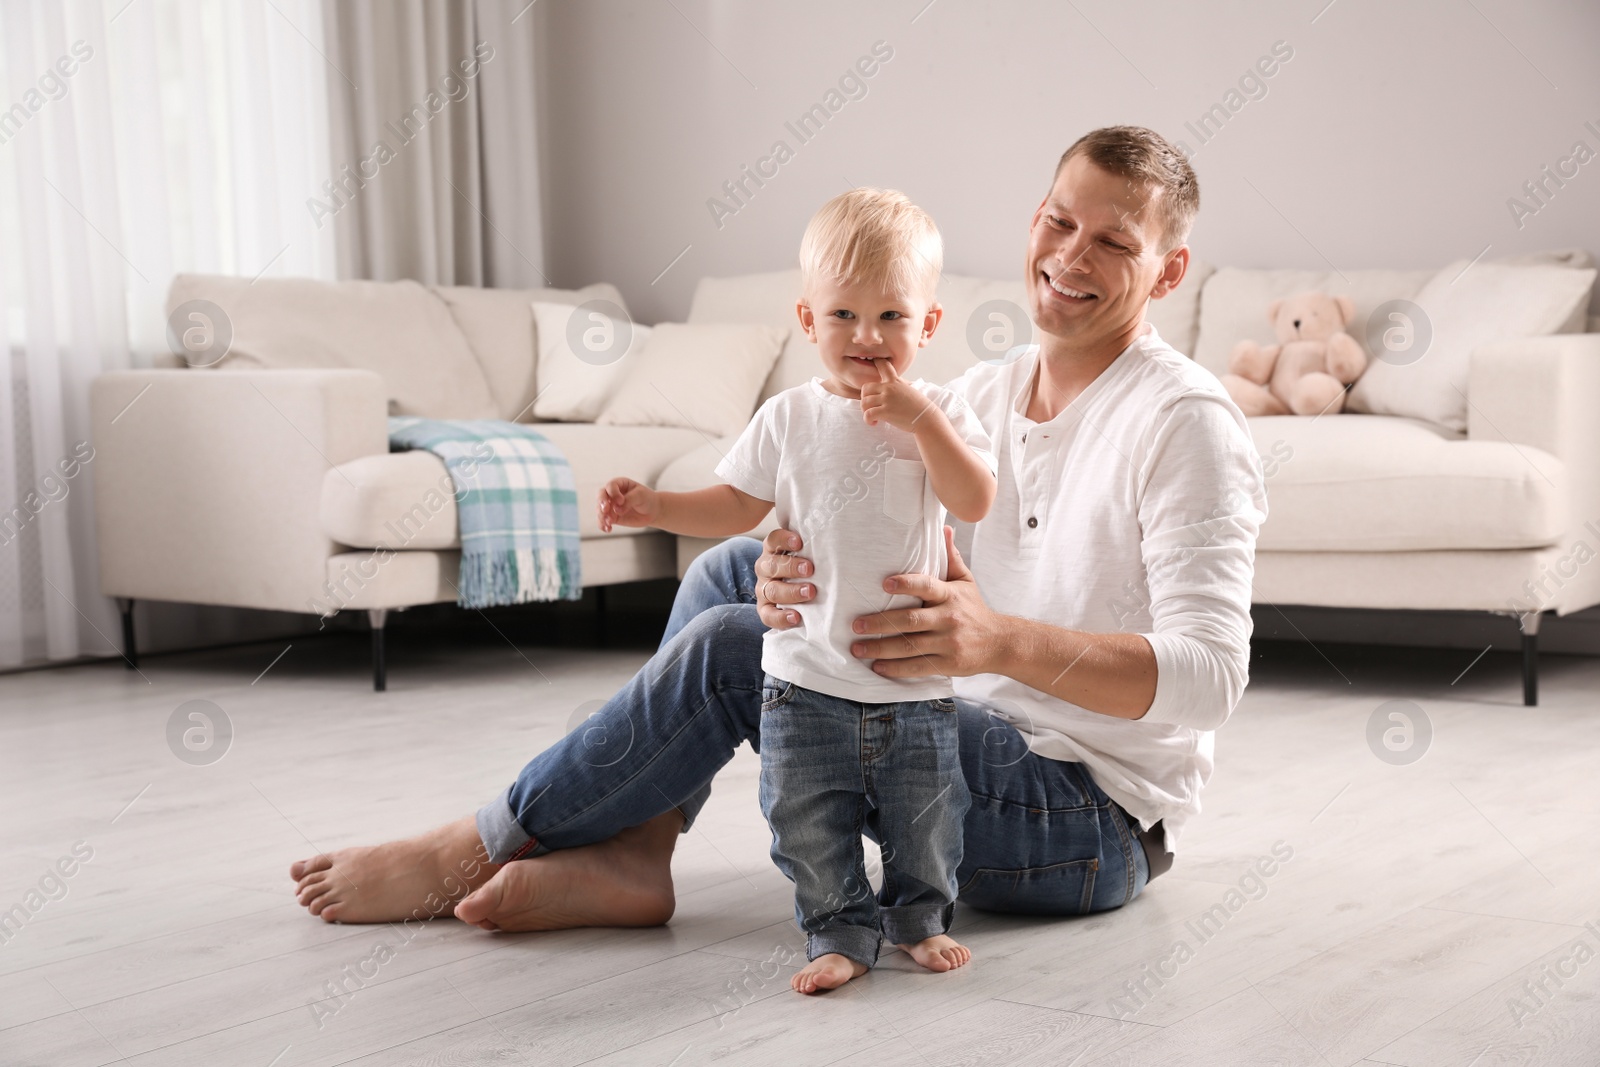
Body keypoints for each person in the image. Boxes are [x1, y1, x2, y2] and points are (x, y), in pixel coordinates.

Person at [290, 126, 1266, 965]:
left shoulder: (1185, 423)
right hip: (954, 724)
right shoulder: (987, 391)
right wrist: (787, 565)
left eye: (1113, 241)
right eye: (1058, 219)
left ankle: (470, 846)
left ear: (1169, 269)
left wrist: (999, 641)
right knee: (728, 575)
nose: (1069, 256)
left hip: (1084, 821)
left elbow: (1209, 676)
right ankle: (639, 846)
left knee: (730, 646)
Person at [596, 188, 996, 992]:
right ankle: (840, 927)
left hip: (913, 687)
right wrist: (658, 507)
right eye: (844, 315)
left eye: (891, 316)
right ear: (809, 321)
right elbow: (737, 504)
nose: (868, 337)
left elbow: (974, 498)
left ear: (928, 326)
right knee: (807, 821)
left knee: (929, 821)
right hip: (803, 679)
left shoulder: (942, 413)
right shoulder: (787, 417)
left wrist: (922, 422)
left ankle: (918, 918)